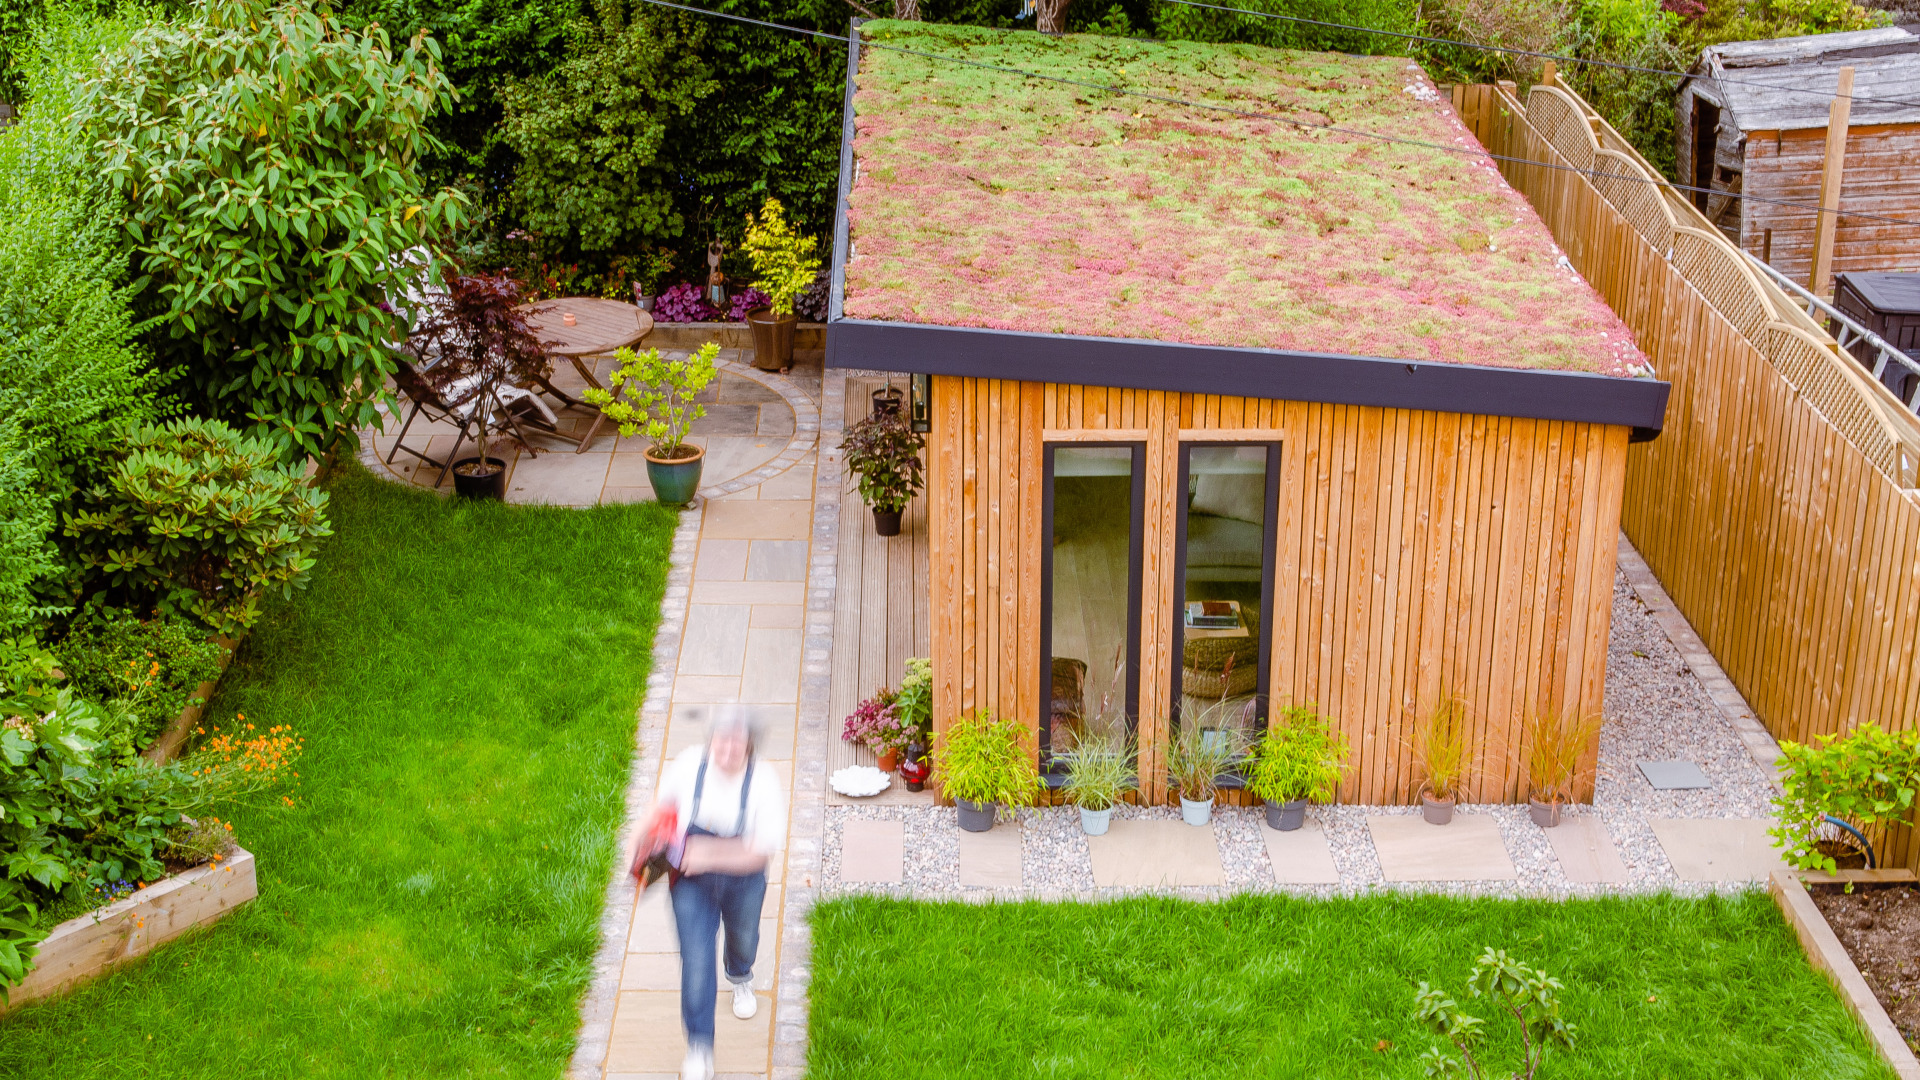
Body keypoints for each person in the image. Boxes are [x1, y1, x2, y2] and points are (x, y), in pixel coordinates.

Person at [645, 706, 787, 1080]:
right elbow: (659, 812)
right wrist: (638, 846)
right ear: (710, 741)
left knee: (742, 940)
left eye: (736, 744)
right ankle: (699, 1046)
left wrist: (708, 854)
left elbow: (759, 852)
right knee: (696, 958)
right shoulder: (689, 766)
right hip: (691, 882)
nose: (726, 751)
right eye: (720, 741)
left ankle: (740, 977)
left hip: (743, 879)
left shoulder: (764, 783)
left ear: (749, 746)